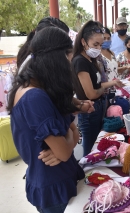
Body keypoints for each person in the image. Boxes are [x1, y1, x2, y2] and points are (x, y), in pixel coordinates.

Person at [7, 27, 85, 213]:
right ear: (57, 59)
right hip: (53, 185)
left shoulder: (37, 88)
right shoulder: (34, 97)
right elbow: (65, 151)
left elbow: (65, 147)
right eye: (68, 58)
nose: (69, 64)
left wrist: (68, 137)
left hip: (57, 177)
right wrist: (72, 131)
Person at [72, 20, 124, 156]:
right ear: (83, 42)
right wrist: (103, 91)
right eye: (95, 44)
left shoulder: (91, 59)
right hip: (89, 111)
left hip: (99, 107)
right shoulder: (80, 62)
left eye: (100, 45)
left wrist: (113, 83)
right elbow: (91, 93)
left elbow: (97, 85)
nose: (99, 48)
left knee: (97, 147)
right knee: (90, 151)